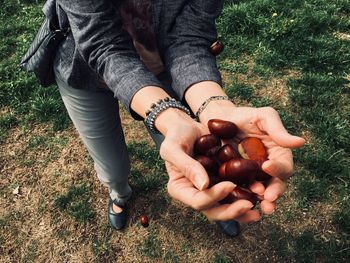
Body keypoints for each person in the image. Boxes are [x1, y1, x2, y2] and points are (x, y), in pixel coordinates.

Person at [51, 0, 305, 236]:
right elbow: (103, 45)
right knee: (113, 168)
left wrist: (213, 107)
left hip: (162, 65)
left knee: (188, 151)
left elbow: (190, 35)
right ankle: (119, 193)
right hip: (85, 71)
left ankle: (220, 191)